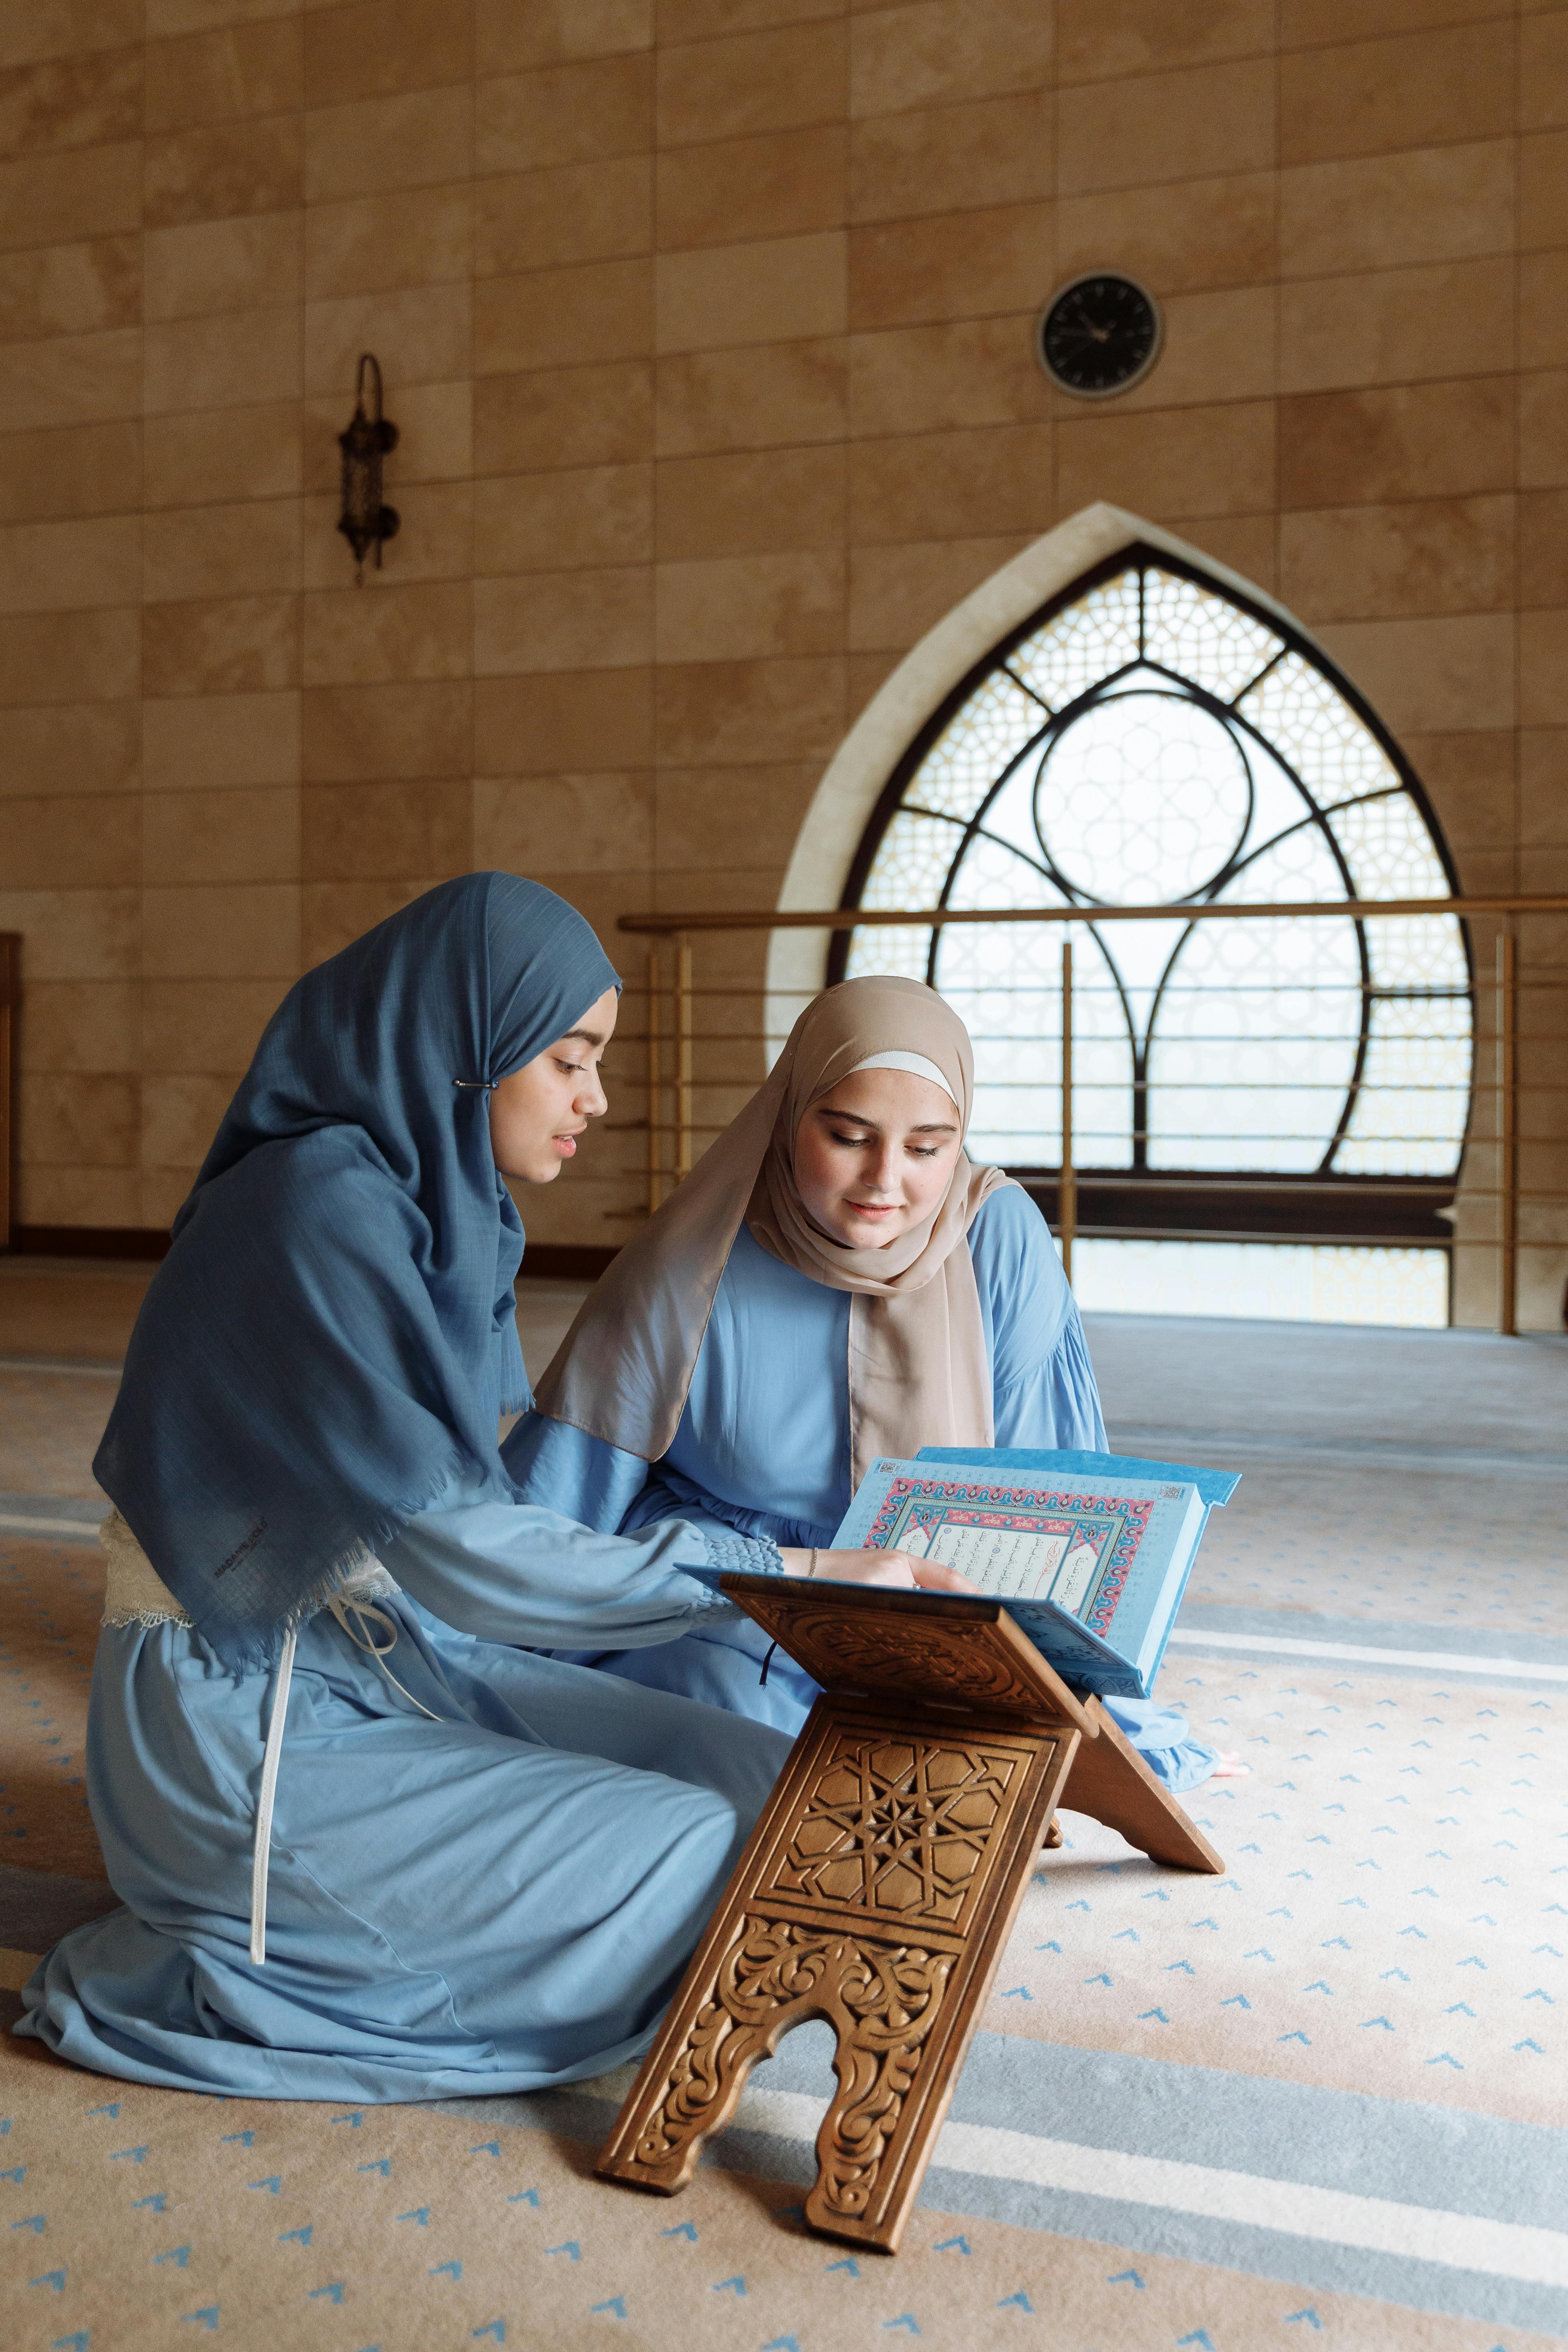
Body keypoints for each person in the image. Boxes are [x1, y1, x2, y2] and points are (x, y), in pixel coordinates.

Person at [16, 876, 953, 2102]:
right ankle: (263, 1948)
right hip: (237, 1726)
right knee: (698, 1841)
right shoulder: (309, 1210)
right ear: (469, 1045)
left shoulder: (429, 1209)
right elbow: (463, 1549)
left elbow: (464, 1544)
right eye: (569, 1058)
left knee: (772, 1778)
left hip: (375, 1661)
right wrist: (789, 1577)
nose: (595, 1098)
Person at [508, 975, 1241, 1791]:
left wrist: (1113, 1726)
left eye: (928, 1147)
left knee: (965, 1770)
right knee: (755, 1756)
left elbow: (1057, 1497)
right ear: (790, 1116)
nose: (885, 1180)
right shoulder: (692, 1260)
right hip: (748, 1597)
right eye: (850, 1135)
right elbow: (560, 1497)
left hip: (946, 1603)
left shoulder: (996, 1234)